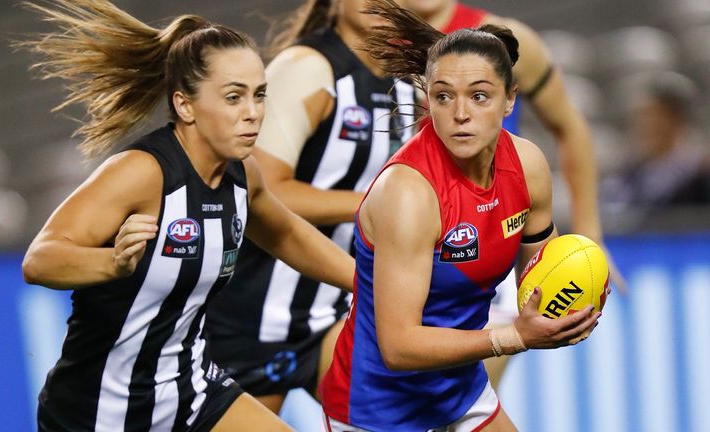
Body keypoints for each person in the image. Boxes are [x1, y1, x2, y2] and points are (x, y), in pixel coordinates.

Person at [17, 1, 355, 431]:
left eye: (259, 94)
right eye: (234, 97)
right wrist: (113, 263)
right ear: (185, 105)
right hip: (99, 409)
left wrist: (366, 279)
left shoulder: (242, 174)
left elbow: (286, 233)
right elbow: (40, 259)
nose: (253, 112)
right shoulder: (142, 172)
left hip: (192, 392)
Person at [319, 1, 601, 430]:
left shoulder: (528, 167)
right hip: (379, 407)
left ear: (510, 101)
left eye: (480, 96)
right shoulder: (409, 193)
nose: (461, 114)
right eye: (444, 96)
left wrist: (573, 301)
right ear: (427, 98)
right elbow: (398, 346)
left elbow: (541, 276)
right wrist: (516, 337)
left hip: (459, 386)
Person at [204, 0, 415, 415]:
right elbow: (265, 194)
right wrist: (376, 205)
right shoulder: (307, 68)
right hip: (246, 317)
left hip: (330, 314)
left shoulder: (410, 86)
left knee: (397, 420)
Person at [402, 0, 624, 387]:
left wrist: (590, 234)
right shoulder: (371, 42)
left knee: (467, 396)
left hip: (486, 242)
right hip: (403, 242)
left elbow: (569, 125)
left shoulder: (504, 40)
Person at [602, 72, 710, 207]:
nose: (646, 125)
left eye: (656, 117)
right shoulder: (628, 176)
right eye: (644, 116)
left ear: (677, 119)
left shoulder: (700, 173)